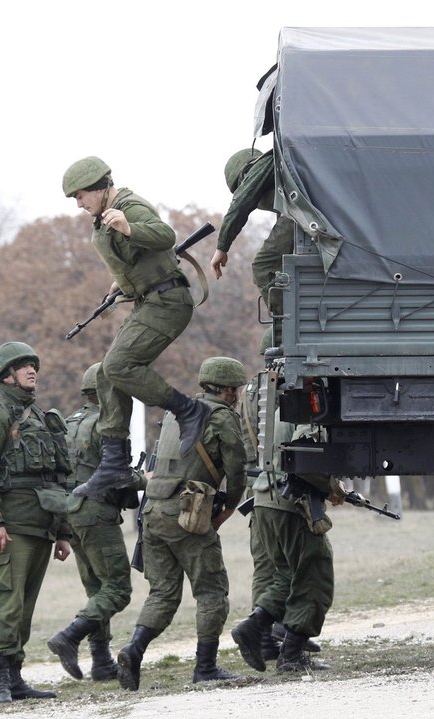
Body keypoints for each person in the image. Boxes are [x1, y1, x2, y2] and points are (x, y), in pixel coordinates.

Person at [62, 156, 210, 499]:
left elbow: (164, 235)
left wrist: (129, 227)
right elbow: (133, 257)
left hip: (168, 302)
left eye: (82, 196)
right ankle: (114, 463)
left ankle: (189, 411)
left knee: (118, 365)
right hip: (148, 301)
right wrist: (120, 284)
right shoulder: (102, 218)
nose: (80, 204)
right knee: (105, 373)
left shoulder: (128, 206)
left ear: (100, 188)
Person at [115, 357, 248, 691]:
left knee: (162, 593)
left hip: (154, 510)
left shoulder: (178, 412)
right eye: (238, 390)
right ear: (229, 389)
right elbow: (238, 470)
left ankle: (133, 650)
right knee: (211, 590)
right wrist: (227, 509)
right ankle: (205, 667)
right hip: (188, 511)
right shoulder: (222, 417)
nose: (238, 395)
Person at [0, 341, 73, 704]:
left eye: (33, 365)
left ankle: (16, 677)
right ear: (6, 374)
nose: (32, 371)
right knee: (7, 602)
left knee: (25, 606)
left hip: (41, 524)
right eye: (23, 366)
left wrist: (62, 531)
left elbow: (56, 477)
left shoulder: (38, 416)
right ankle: (1, 682)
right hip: (9, 527)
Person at [230, 373, 340, 673]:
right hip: (292, 502)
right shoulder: (307, 409)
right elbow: (308, 456)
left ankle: (254, 626)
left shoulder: (277, 410)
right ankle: (291, 656)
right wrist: (334, 490)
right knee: (316, 576)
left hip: (265, 501)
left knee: (286, 576)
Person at [47, 363, 142, 681]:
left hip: (72, 514)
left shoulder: (70, 424)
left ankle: (101, 662)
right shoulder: (107, 423)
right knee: (117, 589)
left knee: (98, 591)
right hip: (97, 513)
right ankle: (70, 637)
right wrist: (146, 479)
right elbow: (118, 475)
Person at [236, 328, 322, 666]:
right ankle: (278, 634)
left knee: (268, 567)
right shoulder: (290, 386)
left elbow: (247, 444)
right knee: (297, 567)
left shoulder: (248, 392)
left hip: (257, 488)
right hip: (285, 487)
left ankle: (269, 637)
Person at [209, 148, 296, 316]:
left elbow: (242, 202)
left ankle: (287, 325)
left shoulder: (264, 164)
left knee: (264, 265)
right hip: (305, 214)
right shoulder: (280, 178)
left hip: (302, 214)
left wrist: (222, 247)